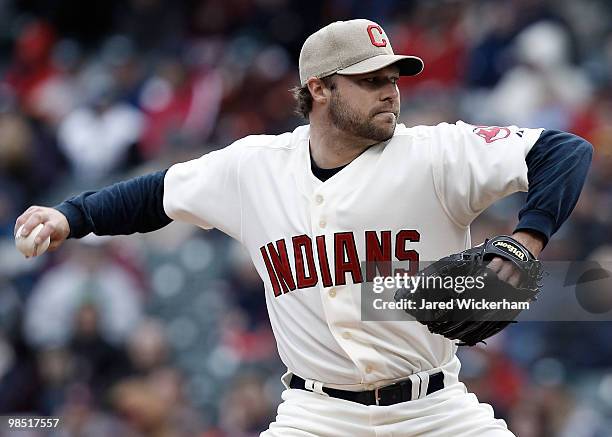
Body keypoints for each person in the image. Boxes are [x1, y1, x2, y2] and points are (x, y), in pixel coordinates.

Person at [15, 19, 592, 436]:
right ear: (320, 89)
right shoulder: (254, 167)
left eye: (395, 75)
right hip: (317, 416)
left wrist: (524, 242)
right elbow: (155, 194)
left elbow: (565, 153)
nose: (390, 89)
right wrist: (72, 215)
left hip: (434, 411)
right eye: (370, 79)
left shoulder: (435, 153)